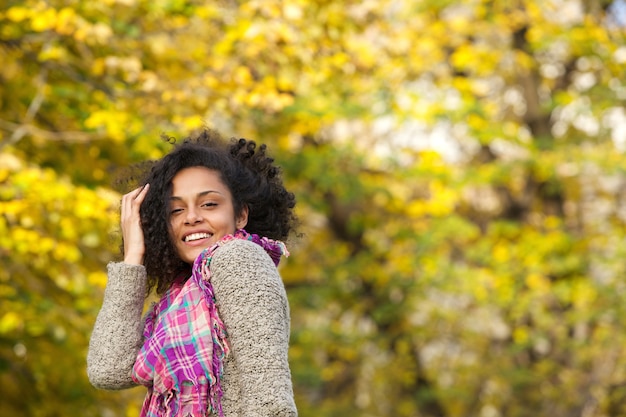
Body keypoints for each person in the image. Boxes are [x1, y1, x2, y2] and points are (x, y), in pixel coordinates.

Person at [87, 129, 298, 417]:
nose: (191, 217)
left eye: (209, 204)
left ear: (240, 215)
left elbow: (269, 398)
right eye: (175, 210)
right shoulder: (181, 296)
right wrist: (133, 256)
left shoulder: (238, 258)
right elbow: (108, 369)